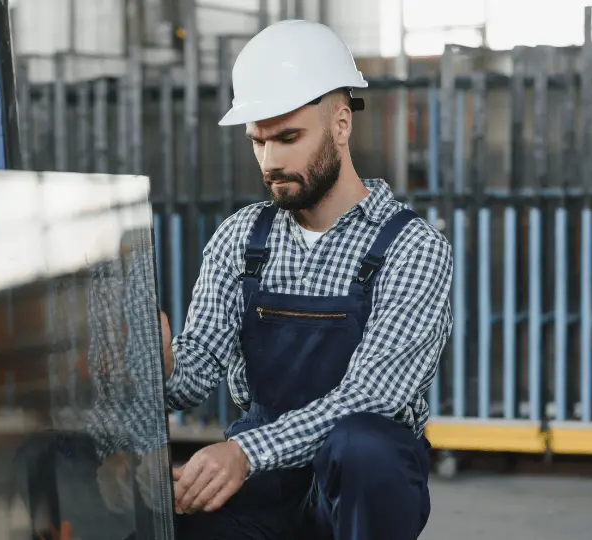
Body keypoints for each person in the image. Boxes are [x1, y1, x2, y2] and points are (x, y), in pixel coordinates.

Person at [162, 19, 454, 540]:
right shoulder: (241, 237)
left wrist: (244, 453)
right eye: (258, 142)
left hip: (352, 488)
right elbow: (194, 374)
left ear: (341, 125)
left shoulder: (412, 247)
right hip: (264, 480)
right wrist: (159, 365)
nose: (271, 162)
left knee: (364, 445)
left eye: (288, 138)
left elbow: (370, 397)